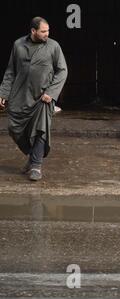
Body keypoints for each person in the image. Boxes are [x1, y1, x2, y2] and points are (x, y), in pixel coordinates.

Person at [0, 17, 68, 181]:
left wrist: (51, 93)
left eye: (48, 31)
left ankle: (36, 166)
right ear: (33, 31)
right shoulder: (18, 45)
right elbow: (11, 71)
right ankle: (32, 156)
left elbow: (62, 71)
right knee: (13, 127)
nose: (47, 34)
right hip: (20, 95)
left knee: (40, 129)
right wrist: (3, 92)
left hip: (42, 97)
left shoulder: (53, 46)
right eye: (43, 31)